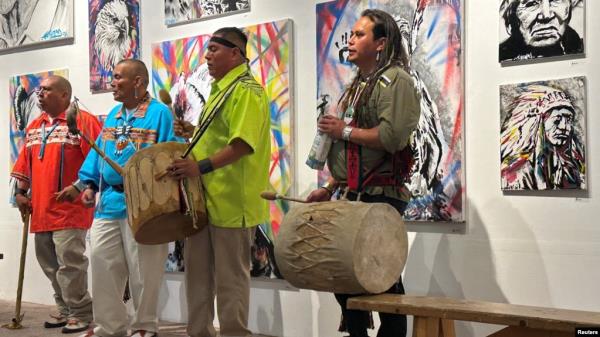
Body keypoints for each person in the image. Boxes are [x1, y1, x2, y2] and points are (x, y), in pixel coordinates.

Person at [306, 9, 421, 337]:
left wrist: (342, 130)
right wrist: (329, 187)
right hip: (353, 195)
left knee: (382, 278)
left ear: (381, 43)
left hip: (381, 198)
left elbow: (391, 137)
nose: (351, 40)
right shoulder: (360, 83)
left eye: (359, 35)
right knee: (346, 276)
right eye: (351, 34)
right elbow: (354, 150)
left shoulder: (396, 81)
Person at [167, 27, 270, 337]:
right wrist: (193, 134)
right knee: (197, 276)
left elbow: (242, 145)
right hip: (205, 200)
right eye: (207, 50)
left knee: (231, 280)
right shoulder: (220, 89)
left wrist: (198, 166)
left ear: (235, 53)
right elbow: (220, 137)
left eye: (214, 49)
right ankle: (198, 332)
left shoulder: (247, 90)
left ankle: (234, 333)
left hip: (232, 201)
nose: (207, 56)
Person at [74, 59, 178, 337]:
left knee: (144, 269)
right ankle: (109, 327)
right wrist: (88, 185)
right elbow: (99, 154)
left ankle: (144, 325)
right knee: (103, 264)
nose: (112, 83)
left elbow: (171, 153)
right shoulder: (113, 115)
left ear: (138, 82)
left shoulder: (160, 114)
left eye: (119, 77)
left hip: (145, 204)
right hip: (109, 204)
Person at [11, 75, 101, 334]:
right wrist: (20, 193)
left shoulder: (83, 121)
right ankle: (65, 309)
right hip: (40, 210)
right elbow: (24, 166)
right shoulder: (34, 127)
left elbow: (96, 160)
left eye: (47, 90)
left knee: (70, 263)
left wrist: (81, 188)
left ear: (64, 95)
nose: (40, 94)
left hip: (70, 210)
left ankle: (81, 312)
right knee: (50, 265)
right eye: (39, 89)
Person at [500, 84, 585, 190]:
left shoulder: (571, 169)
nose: (564, 127)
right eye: (557, 120)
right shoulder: (517, 172)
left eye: (568, 120)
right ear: (539, 123)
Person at [499, 0, 584, 62]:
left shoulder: (581, 49)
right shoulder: (502, 56)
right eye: (531, 3)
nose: (546, 16)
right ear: (510, 16)